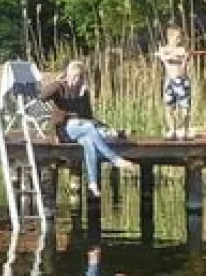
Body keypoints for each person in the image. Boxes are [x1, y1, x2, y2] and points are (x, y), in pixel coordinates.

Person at [43, 60, 137, 198]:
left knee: (89, 141)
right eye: (74, 76)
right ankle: (115, 159)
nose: (77, 80)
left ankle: (92, 183)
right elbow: (42, 96)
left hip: (81, 129)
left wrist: (103, 125)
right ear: (68, 75)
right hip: (63, 129)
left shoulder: (83, 92)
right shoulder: (60, 88)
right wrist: (57, 82)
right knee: (88, 127)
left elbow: (88, 116)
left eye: (80, 77)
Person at [154, 25, 192, 140]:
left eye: (180, 37)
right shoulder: (164, 49)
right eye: (177, 37)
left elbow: (182, 69)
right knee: (169, 106)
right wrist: (164, 58)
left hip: (181, 81)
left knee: (185, 108)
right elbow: (162, 59)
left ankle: (185, 131)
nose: (179, 40)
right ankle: (172, 130)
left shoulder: (181, 50)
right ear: (170, 37)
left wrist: (184, 59)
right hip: (169, 81)